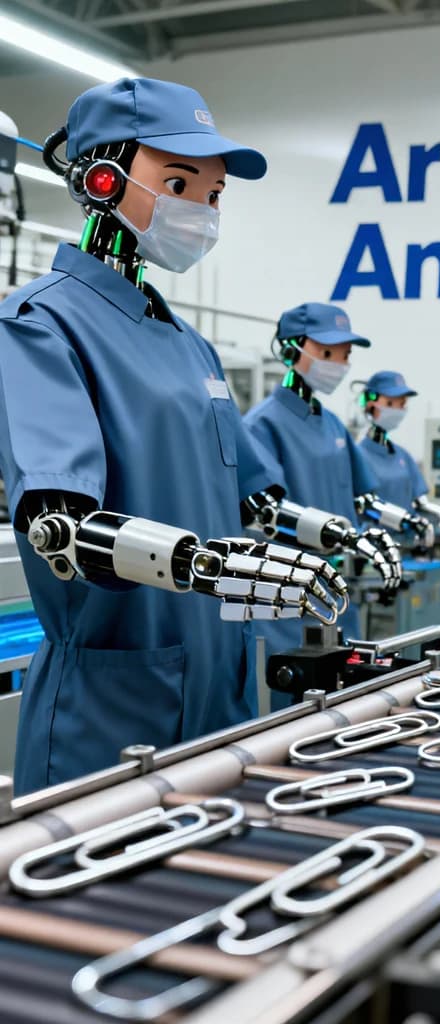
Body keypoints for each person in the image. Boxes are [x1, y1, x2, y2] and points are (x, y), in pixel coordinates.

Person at [0, 78, 388, 793]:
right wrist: (212, 569)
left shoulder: (190, 347)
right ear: (101, 176)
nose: (198, 210)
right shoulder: (38, 324)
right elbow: (59, 527)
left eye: (211, 196)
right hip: (117, 703)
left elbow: (250, 503)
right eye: (178, 181)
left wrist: (334, 534)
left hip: (221, 688)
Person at [245, 309, 432, 708]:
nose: (340, 365)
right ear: (292, 348)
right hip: (287, 605)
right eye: (328, 353)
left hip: (335, 598)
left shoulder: (332, 426)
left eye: (345, 355)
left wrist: (402, 523)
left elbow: (361, 497)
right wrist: (346, 537)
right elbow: (265, 512)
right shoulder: (263, 425)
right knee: (288, 717)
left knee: (342, 708)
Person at [357, 370, 440, 539]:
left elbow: (420, 502)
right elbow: (365, 506)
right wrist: (406, 520)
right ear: (370, 403)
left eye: (402, 404)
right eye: (390, 403)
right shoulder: (358, 456)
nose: (398, 409)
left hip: (406, 545)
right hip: (371, 548)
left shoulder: (402, 456)